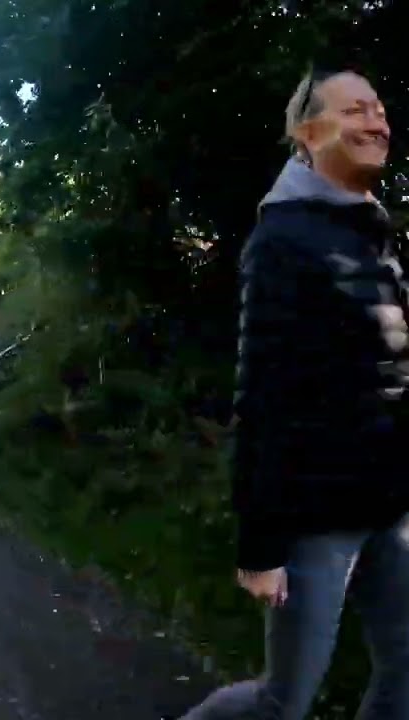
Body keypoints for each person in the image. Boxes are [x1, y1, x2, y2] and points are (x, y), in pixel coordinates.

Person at [179, 67, 409, 719]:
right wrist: (262, 547)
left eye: (381, 109)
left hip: (388, 509)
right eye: (357, 110)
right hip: (315, 518)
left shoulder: (370, 232)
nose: (377, 121)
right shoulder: (282, 241)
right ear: (309, 134)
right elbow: (263, 397)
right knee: (285, 700)